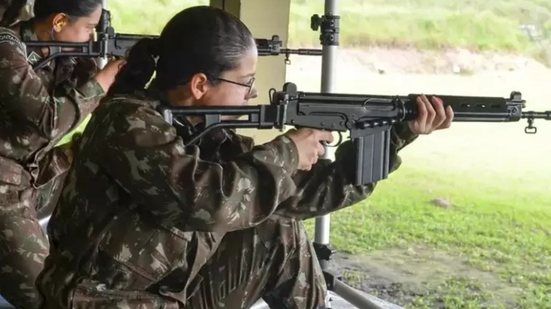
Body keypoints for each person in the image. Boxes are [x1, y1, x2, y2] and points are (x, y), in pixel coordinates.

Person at [37, 5, 453, 309]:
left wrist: (396, 135)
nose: (251, 94)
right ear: (200, 84)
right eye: (245, 82)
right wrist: (288, 150)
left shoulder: (203, 132)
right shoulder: (128, 122)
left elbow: (298, 196)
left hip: (162, 294)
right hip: (98, 302)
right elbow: (207, 201)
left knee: (278, 230)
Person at [0, 0, 123, 307]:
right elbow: (46, 120)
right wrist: (103, 79)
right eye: (88, 29)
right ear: (58, 22)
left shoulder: (63, 55)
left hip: (30, 176)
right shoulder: (6, 47)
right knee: (47, 297)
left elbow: (107, 109)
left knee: (103, 162)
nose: (90, 38)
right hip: (4, 188)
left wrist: (126, 75)